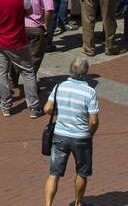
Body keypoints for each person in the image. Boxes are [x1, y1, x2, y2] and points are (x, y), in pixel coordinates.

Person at [43, 56, 99, 206]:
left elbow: (47, 108)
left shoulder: (59, 87)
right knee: (82, 172)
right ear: (85, 72)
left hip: (60, 135)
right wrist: (90, 133)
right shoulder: (89, 92)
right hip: (81, 137)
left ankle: (48, 204)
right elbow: (93, 121)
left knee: (54, 173)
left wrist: (62, 112)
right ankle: (78, 202)